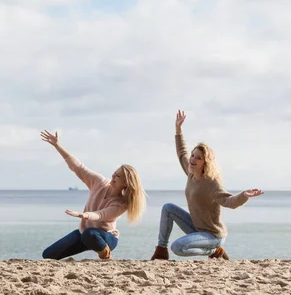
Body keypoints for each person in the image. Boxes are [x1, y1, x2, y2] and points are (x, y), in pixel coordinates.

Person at [150, 110, 264, 261]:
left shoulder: (211, 182)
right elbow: (181, 151)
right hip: (196, 228)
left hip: (212, 235)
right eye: (193, 155)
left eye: (198, 158)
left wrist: (243, 195)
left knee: (178, 247)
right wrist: (178, 130)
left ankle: (214, 250)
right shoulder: (191, 172)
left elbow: (229, 201)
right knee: (168, 208)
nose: (193, 159)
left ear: (205, 162)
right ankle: (161, 250)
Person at [40, 130, 146, 260]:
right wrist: (57, 146)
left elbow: (100, 215)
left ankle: (105, 253)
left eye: (117, 176)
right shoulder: (99, 182)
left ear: (125, 183)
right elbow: (78, 167)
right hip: (84, 233)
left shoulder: (122, 204)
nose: (113, 176)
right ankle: (90, 243)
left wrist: (83, 215)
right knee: (48, 255)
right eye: (114, 172)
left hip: (106, 237)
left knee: (90, 234)